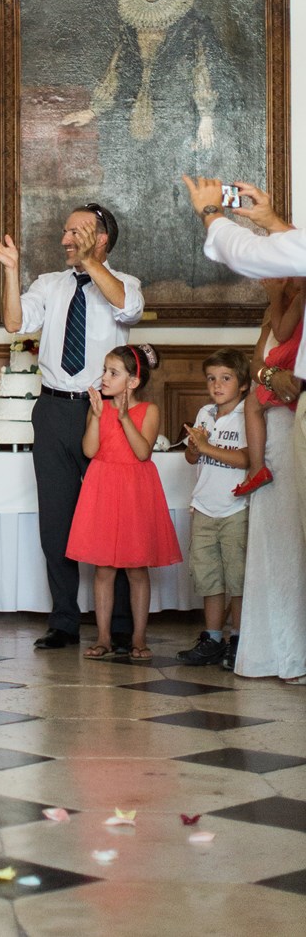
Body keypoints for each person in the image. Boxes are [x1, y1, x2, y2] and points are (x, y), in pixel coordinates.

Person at [0, 203, 144, 650]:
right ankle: (64, 621)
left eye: (75, 232)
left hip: (103, 413)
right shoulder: (49, 285)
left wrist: (91, 261)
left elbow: (127, 309)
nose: (64, 240)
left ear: (101, 239)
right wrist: (11, 271)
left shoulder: (125, 284)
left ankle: (120, 625)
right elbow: (16, 323)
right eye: (65, 231)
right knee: (57, 521)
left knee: (111, 516)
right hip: (53, 412)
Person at [183, 176, 306, 682]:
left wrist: (212, 213)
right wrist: (272, 220)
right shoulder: (281, 301)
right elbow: (268, 355)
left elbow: (252, 258)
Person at [62, 0, 248, 289]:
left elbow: (201, 70)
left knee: (176, 191)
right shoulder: (131, 21)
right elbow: (117, 68)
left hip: (178, 118)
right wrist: (95, 109)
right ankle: (147, 268)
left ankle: (187, 269)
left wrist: (205, 118)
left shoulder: (191, 23)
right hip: (139, 118)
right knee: (140, 191)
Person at [66, 345, 181, 659]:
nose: (104, 377)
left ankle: (139, 638)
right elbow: (90, 451)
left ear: (132, 382)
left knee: (136, 569)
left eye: (112, 372)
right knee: (103, 569)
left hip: (134, 490)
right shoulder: (98, 408)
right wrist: (96, 417)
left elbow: (143, 452)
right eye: (105, 370)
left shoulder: (150, 411)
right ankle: (102, 637)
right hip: (103, 486)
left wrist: (124, 417)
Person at [177, 348, 251, 669]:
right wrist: (195, 448)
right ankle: (211, 638)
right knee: (209, 577)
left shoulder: (248, 415)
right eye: (211, 379)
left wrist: (209, 446)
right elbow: (193, 459)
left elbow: (247, 459)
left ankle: (238, 639)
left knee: (237, 577)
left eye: (225, 378)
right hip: (204, 505)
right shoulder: (206, 413)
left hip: (235, 507)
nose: (216, 385)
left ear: (243, 384)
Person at [232, 279, 303, 497]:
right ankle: (257, 468)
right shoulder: (280, 309)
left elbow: (282, 334)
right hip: (272, 433)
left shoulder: (299, 300)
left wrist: (274, 296)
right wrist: (271, 377)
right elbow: (256, 364)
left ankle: (256, 469)